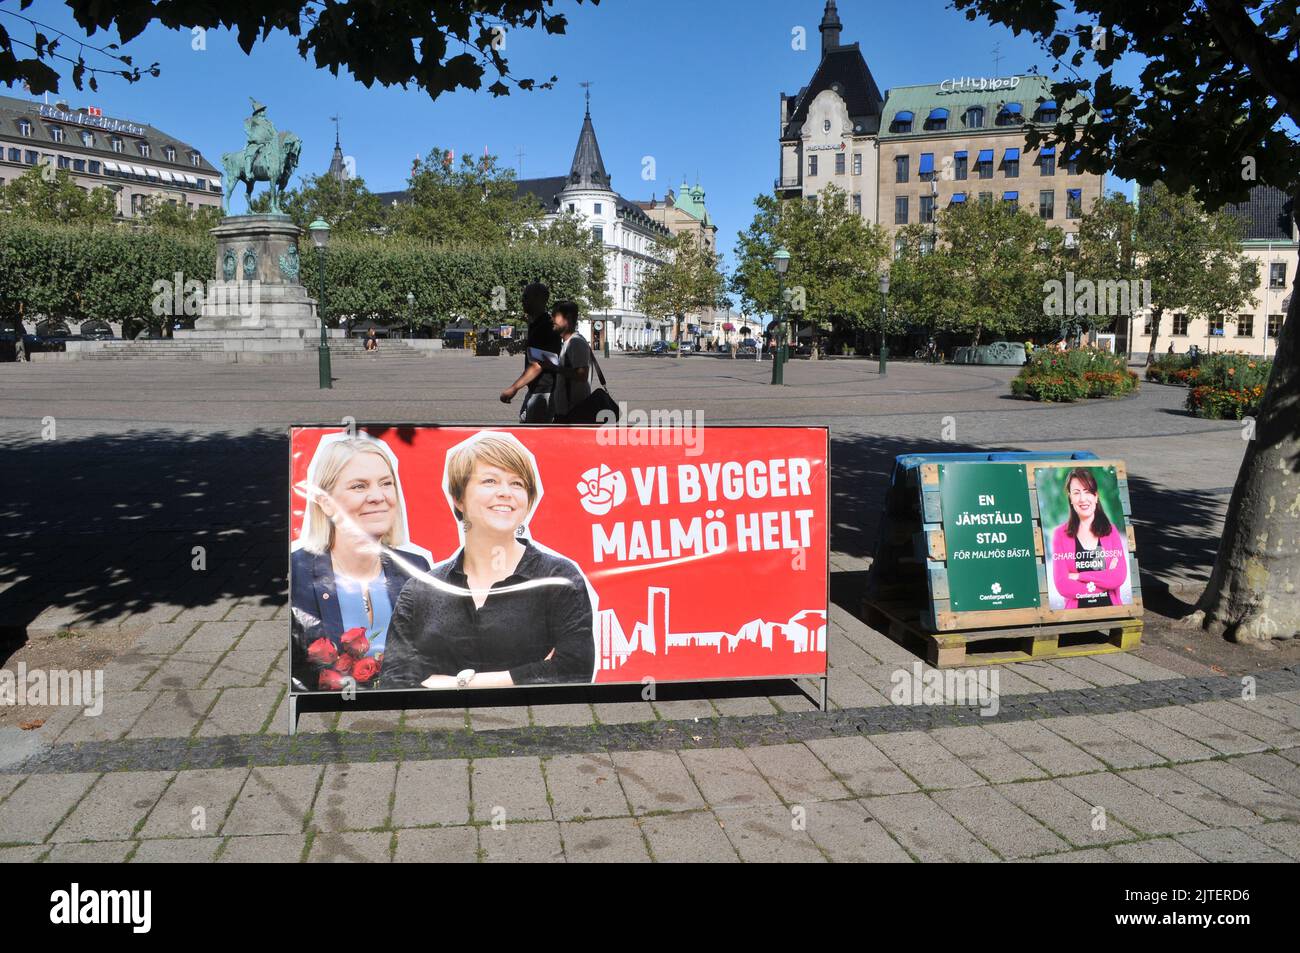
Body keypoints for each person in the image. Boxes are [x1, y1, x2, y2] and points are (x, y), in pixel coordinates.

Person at [383, 433, 595, 688]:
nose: (505, 493)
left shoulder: (559, 578)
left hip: (536, 726)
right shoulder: (420, 591)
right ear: (458, 498)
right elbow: (394, 681)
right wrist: (532, 672)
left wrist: (457, 683)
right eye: (490, 481)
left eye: (517, 484)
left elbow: (574, 671)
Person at [291, 437, 431, 691]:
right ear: (326, 502)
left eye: (386, 483)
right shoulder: (296, 572)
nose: (378, 496)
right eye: (359, 486)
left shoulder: (417, 568)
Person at [1049, 468, 1129, 609]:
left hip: (1111, 609)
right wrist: (1105, 580)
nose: (1082, 499)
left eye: (1087, 492)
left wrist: (1079, 576)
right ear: (1070, 498)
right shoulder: (1060, 535)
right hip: (1076, 613)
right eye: (1076, 493)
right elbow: (1063, 586)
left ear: (1096, 496)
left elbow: (1118, 577)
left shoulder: (1111, 531)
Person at [500, 283, 560, 423]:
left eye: (526, 297)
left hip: (543, 393)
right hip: (537, 391)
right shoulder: (538, 324)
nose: (522, 300)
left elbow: (538, 365)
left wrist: (513, 388)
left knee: (535, 438)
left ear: (539, 299)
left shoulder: (544, 327)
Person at [548, 301, 592, 422]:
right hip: (566, 411)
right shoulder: (569, 342)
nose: (551, 319)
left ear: (567, 318)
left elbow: (582, 375)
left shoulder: (576, 342)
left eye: (554, 315)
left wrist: (554, 367)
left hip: (573, 413)